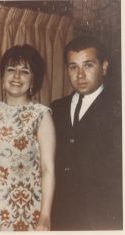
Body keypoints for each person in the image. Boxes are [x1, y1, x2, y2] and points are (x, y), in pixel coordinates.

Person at [51, 36, 122, 230]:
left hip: (102, 221)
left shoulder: (119, 110)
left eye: (88, 65)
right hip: (61, 219)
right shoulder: (55, 109)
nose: (80, 75)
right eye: (73, 67)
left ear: (104, 67)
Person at [0, 45, 56, 231]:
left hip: (28, 211)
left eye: (25, 71)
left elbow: (47, 168)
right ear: (2, 77)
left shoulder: (41, 115)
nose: (16, 76)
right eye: (11, 70)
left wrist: (45, 216)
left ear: (33, 81)